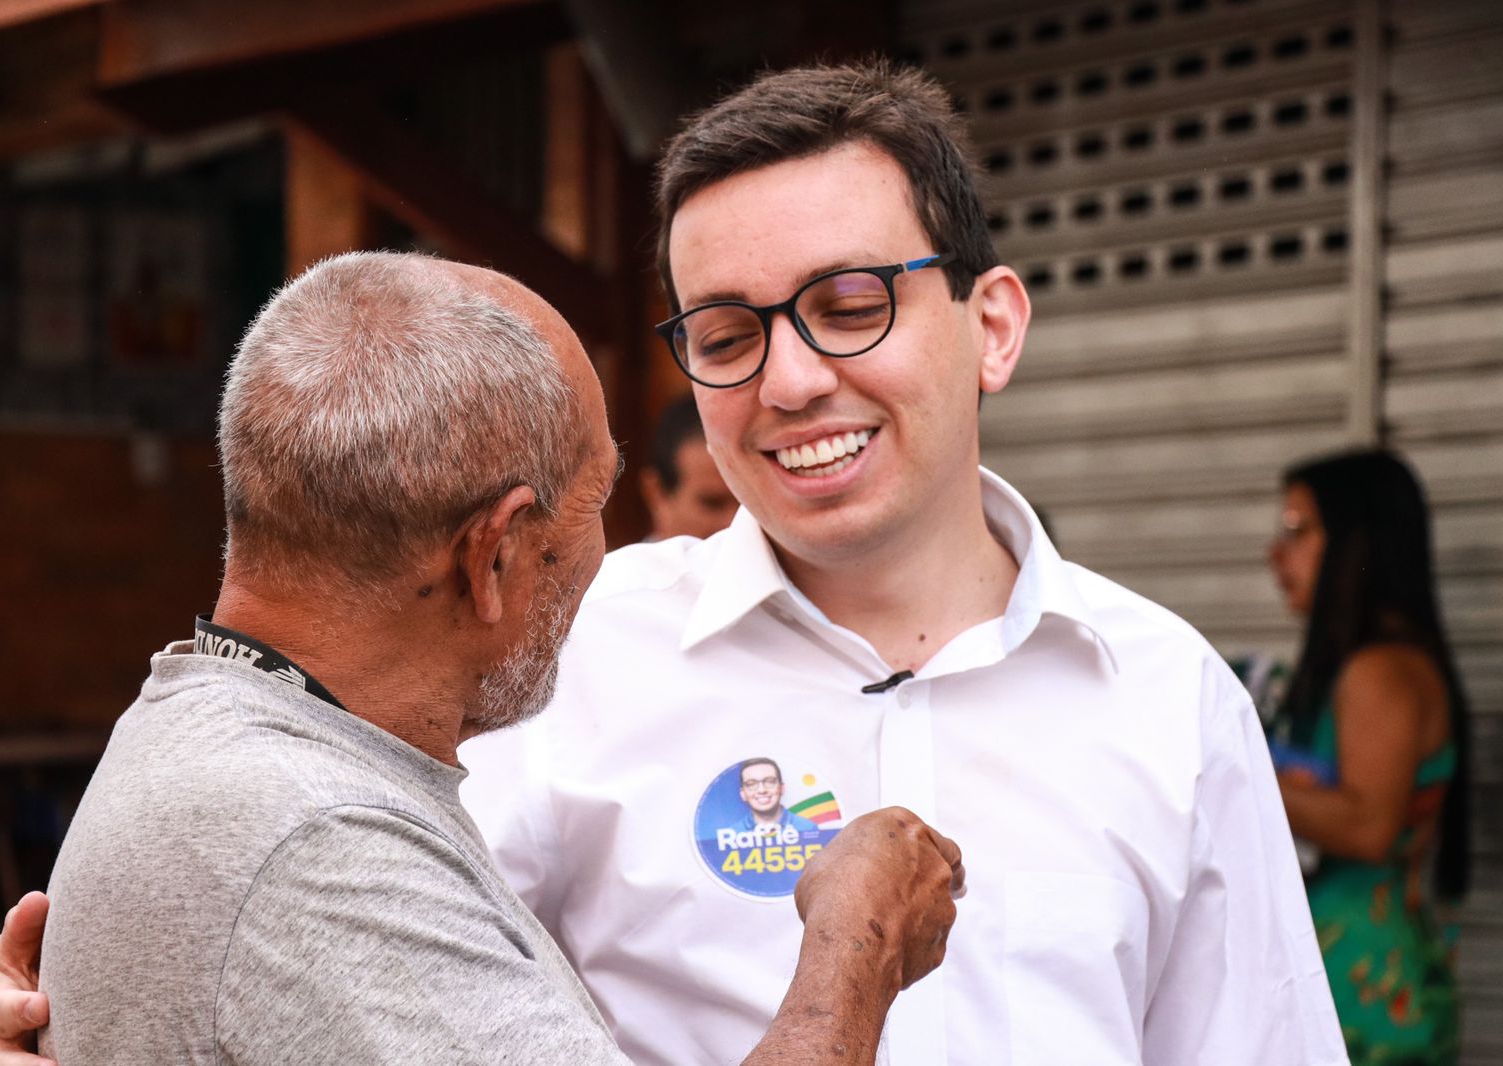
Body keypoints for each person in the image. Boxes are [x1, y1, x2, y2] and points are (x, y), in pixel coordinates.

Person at [452, 60, 1347, 1065]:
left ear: (993, 328)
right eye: (727, 334)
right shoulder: (570, 655)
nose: (787, 381)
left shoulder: (1168, 696)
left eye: (848, 305)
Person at [0, 252, 964, 1066]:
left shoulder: (202, 728)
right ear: (493, 555)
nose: (605, 557)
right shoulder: (320, 847)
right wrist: (853, 952)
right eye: (592, 508)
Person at [1266, 449, 1470, 1065]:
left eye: (1298, 532)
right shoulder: (1377, 663)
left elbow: (1369, 825)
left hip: (1371, 999)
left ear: (1359, 541)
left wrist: (1242, 769)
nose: (1275, 554)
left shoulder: (1379, 671)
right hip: (1364, 981)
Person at [638, 394, 737, 539]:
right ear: (656, 494)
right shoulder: (614, 562)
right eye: (713, 504)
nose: (734, 523)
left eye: (748, 506)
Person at [735, 758, 819, 833]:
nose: (762, 790)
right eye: (751, 784)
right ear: (743, 794)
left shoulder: (808, 829)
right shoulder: (731, 835)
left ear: (781, 788)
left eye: (770, 781)